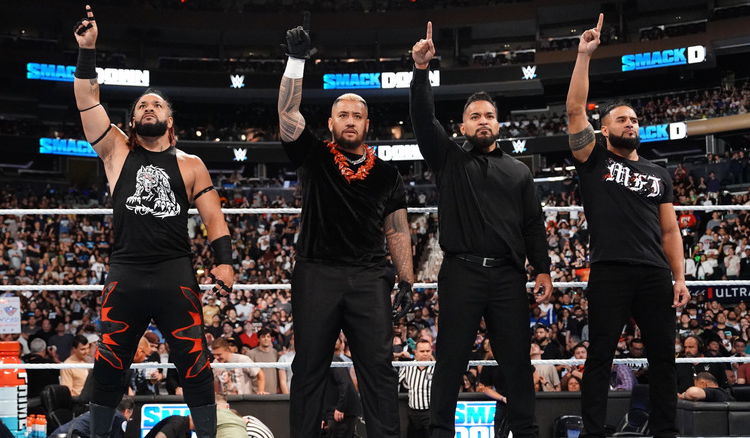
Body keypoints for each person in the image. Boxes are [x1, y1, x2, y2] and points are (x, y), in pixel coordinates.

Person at [72, 6, 235, 438]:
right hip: (125, 270)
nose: (148, 107)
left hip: (174, 272)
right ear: (132, 119)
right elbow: (89, 100)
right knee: (109, 364)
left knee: (195, 364)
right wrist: (87, 51)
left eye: (156, 103)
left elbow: (213, 215)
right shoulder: (116, 152)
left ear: (170, 119)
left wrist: (224, 260)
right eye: (142, 104)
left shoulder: (191, 163)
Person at [410, 22, 553, 438]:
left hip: (509, 276)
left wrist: (542, 268)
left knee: (516, 364)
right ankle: (440, 432)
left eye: (489, 115)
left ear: (498, 123)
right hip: (462, 272)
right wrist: (421, 70)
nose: (483, 121)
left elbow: (532, 225)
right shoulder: (449, 158)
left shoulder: (518, 171)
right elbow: (422, 119)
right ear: (463, 125)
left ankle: (525, 431)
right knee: (451, 360)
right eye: (475, 116)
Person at [277, 15, 414, 438]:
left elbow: (398, 229)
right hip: (317, 271)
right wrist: (295, 62)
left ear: (367, 124)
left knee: (377, 367)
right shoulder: (315, 155)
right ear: (332, 124)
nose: (351, 120)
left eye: (358, 115)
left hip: (371, 276)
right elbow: (286, 112)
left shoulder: (387, 175)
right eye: (343, 114)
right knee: (310, 367)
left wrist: (407, 280)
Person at [565, 14, 690, 438]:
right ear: (605, 129)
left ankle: (665, 432)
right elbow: (574, 109)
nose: (630, 124)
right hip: (610, 269)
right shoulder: (594, 157)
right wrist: (584, 56)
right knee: (599, 355)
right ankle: (594, 432)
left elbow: (670, 231)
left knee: (663, 358)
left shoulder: (659, 173)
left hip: (654, 273)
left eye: (634, 120)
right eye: (622, 119)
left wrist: (680, 277)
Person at [48, 396, 134, 438]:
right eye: (129, 417)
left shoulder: (102, 412)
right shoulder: (119, 417)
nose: (128, 419)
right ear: (126, 411)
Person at [398, 339, 434, 438]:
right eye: (422, 351)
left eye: (428, 351)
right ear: (415, 352)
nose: (425, 354)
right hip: (413, 413)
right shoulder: (408, 366)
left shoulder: (436, 368)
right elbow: (395, 382)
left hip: (430, 412)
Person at [247, 328, 278, 394]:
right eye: (263, 337)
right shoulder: (251, 354)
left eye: (268, 336)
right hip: (256, 392)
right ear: (258, 339)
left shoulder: (275, 352)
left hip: (273, 392)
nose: (266, 339)